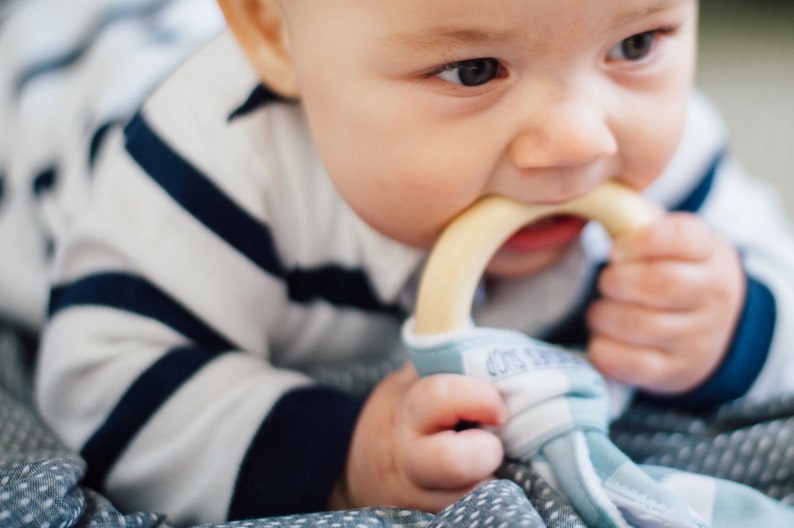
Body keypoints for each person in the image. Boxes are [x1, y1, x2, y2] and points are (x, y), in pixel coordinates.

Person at [30, 0, 794, 524]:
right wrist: (343, 458)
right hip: (56, 91)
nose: (581, 142)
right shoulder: (220, 170)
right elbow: (102, 385)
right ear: (274, 34)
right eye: (473, 70)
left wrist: (736, 323)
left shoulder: (668, 153)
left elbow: (776, 277)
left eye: (635, 44)